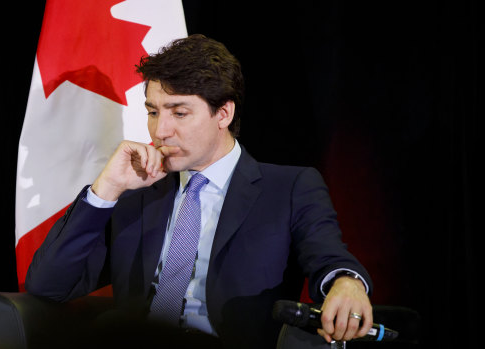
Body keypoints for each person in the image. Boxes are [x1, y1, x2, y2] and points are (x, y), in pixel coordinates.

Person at [25, 34, 373, 348]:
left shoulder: (289, 188)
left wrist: (346, 282)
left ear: (223, 113)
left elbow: (330, 257)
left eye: (179, 112)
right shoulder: (137, 190)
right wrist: (106, 189)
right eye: (152, 112)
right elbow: (48, 285)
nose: (160, 130)